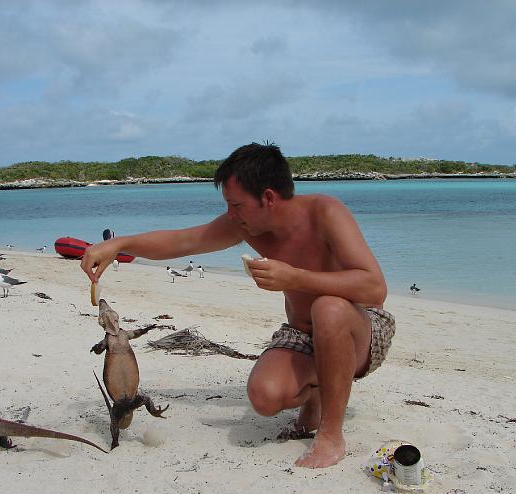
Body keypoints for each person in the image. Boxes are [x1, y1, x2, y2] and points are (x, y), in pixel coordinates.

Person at [81, 142, 395, 468]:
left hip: (361, 329)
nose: (231, 215)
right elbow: (182, 241)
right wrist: (120, 244)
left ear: (269, 198)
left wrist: (294, 277)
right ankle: (316, 396)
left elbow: (374, 287)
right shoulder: (245, 224)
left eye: (236, 205)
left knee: (328, 308)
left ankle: (331, 435)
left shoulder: (326, 213)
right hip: (304, 335)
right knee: (264, 396)